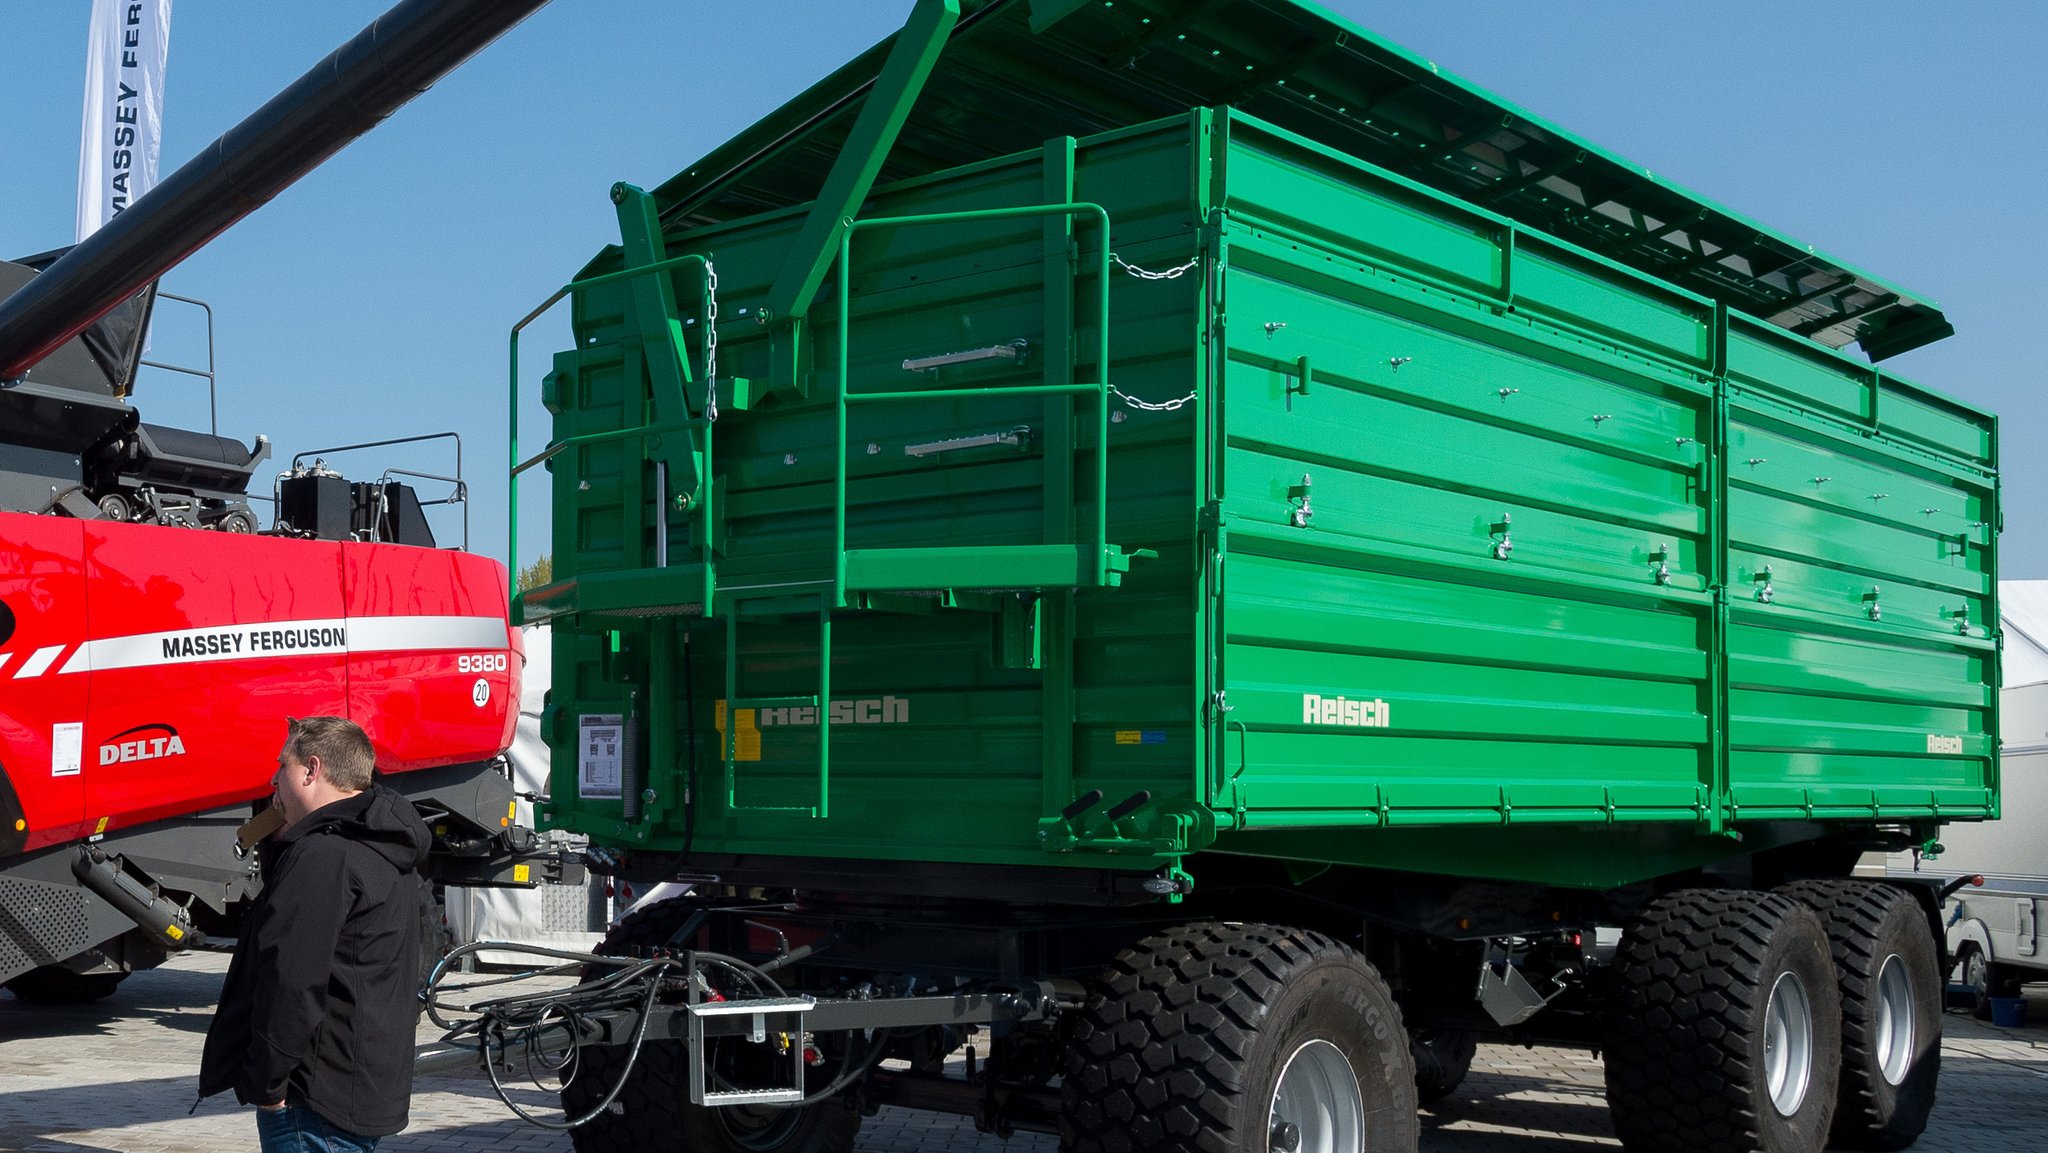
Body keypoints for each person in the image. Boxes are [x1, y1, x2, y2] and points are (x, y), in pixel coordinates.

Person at [199, 716, 431, 1152]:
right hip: (356, 1089)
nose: (272, 779)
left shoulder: (324, 857)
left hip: (312, 1102)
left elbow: (291, 982)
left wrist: (269, 1086)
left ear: (311, 770)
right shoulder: (379, 844)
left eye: (281, 765)